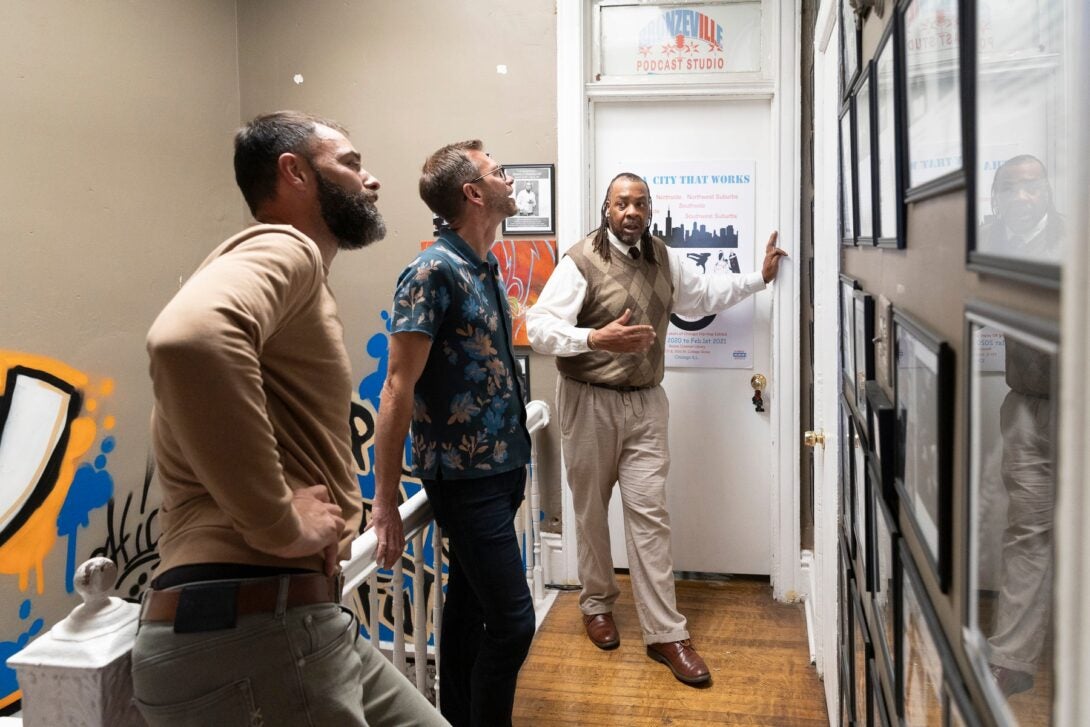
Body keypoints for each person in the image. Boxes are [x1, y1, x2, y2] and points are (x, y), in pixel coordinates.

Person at [132, 111, 446, 727]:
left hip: (294, 622)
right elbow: (188, 339)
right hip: (250, 628)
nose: (371, 180)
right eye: (351, 165)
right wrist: (276, 523)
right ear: (294, 173)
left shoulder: (293, 276)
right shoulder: (286, 247)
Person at [525, 172, 787, 686]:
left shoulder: (664, 256)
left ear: (650, 209)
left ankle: (666, 633)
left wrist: (757, 278)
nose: (631, 211)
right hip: (588, 401)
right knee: (591, 512)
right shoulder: (580, 261)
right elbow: (539, 329)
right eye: (622, 203)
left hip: (647, 404)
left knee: (650, 516)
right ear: (607, 208)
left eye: (640, 203)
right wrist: (595, 338)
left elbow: (702, 295)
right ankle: (597, 603)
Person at [372, 140, 535, 727]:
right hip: (466, 483)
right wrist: (385, 502)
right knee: (515, 624)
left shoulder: (482, 264)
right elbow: (397, 387)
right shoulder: (431, 271)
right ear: (473, 192)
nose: (507, 178)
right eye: (496, 172)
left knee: (469, 617)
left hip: (501, 471)